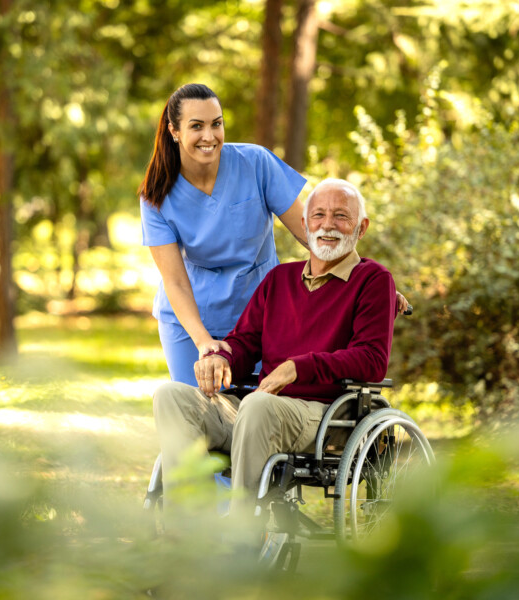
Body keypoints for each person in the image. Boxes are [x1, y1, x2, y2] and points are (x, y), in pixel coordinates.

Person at [152, 178, 396, 521]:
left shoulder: (373, 280)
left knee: (258, 405)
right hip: (258, 410)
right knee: (171, 396)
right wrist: (221, 358)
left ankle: (241, 538)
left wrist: (300, 367)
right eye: (319, 215)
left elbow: (372, 360)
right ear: (304, 224)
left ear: (361, 226)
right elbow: (245, 342)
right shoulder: (279, 280)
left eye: (341, 216)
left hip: (325, 415)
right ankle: (185, 534)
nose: (328, 225)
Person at [139, 83, 407, 386]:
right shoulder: (156, 196)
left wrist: (363, 280)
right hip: (189, 320)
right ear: (174, 131)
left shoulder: (255, 163)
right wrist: (203, 341)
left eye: (217, 124)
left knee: (255, 413)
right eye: (196, 126)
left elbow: (312, 233)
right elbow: (174, 280)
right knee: (195, 414)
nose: (209, 136)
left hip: (256, 317)